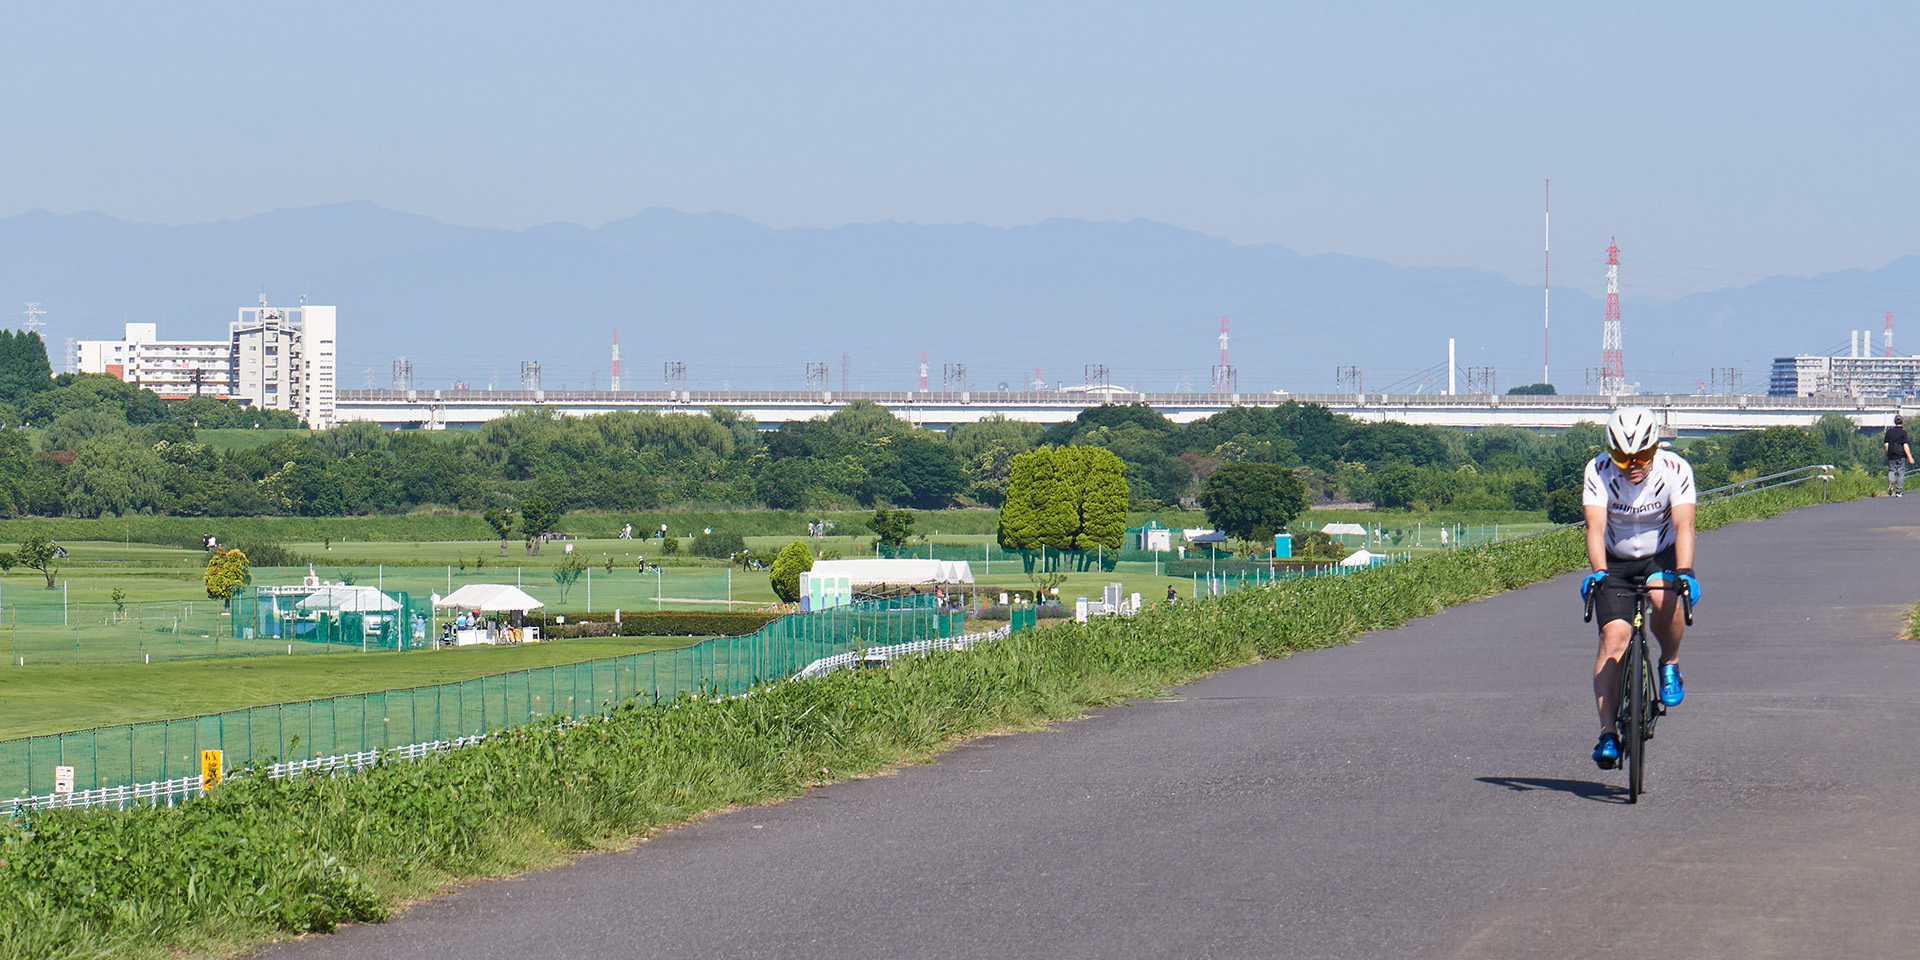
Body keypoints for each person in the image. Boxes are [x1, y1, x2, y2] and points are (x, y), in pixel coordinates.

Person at [1579, 406, 1702, 770]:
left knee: (1665, 595)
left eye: (1641, 456)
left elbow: (1684, 525)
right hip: (1615, 560)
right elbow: (1595, 527)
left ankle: (1669, 662)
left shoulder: (1675, 470)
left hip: (1659, 556)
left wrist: (1685, 572)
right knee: (1613, 638)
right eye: (1622, 457)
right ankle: (1607, 734)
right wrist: (1599, 571)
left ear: (1655, 448)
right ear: (1610, 452)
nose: (1633, 465)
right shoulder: (1597, 471)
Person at [1886, 415, 1912, 497]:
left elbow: (1886, 444)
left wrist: (1888, 453)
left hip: (1892, 455)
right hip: (1901, 455)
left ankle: (1891, 482)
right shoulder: (1903, 433)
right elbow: (1905, 445)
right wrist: (1910, 457)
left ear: (1894, 422)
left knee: (1892, 470)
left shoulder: (1889, 432)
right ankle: (1898, 491)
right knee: (1900, 473)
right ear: (1902, 422)